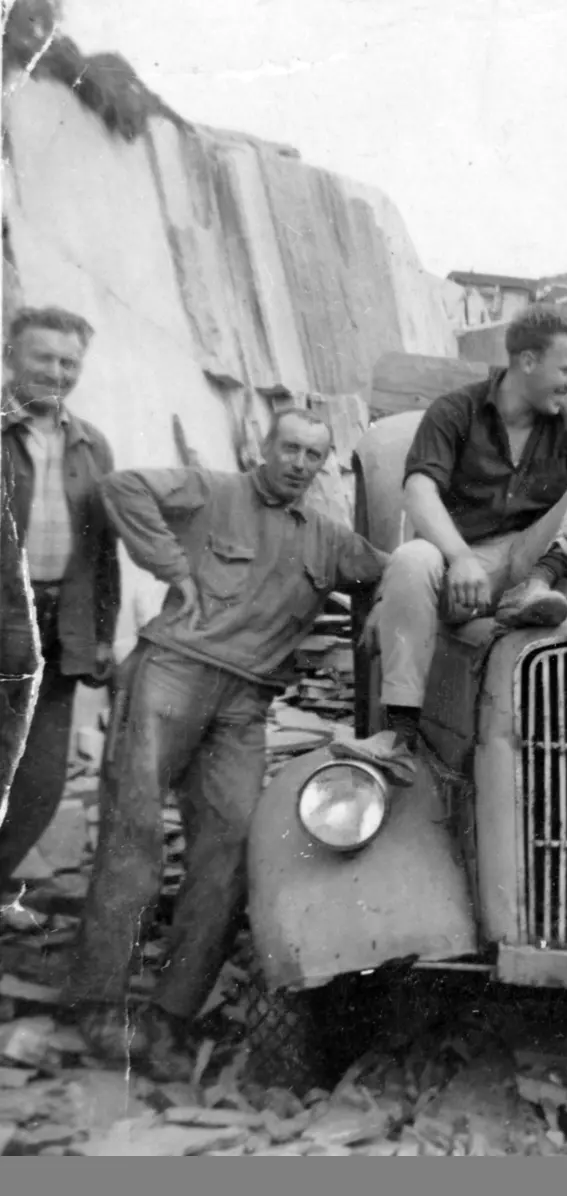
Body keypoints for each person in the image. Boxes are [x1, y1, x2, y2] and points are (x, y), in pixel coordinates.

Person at [63, 408, 389, 1079]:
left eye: (312, 455)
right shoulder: (211, 491)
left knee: (233, 850)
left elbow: (391, 569)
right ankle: (98, 1005)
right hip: (172, 674)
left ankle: (169, 1017)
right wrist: (173, 568)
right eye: (289, 447)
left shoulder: (326, 539)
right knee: (135, 836)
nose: (298, 462)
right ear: (264, 448)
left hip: (244, 704)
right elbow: (123, 489)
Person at [332, 304, 567, 778]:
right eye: (566, 369)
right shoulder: (455, 411)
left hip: (534, 564)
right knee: (413, 556)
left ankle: (538, 586)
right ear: (527, 362)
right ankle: (398, 735)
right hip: (463, 568)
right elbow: (418, 490)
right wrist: (458, 557)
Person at [0, 307, 119, 905]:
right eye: (43, 357)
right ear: (10, 355)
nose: (56, 371)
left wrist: (101, 637)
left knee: (41, 783)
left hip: (58, 629)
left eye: (69, 362)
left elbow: (104, 554)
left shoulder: (91, 443)